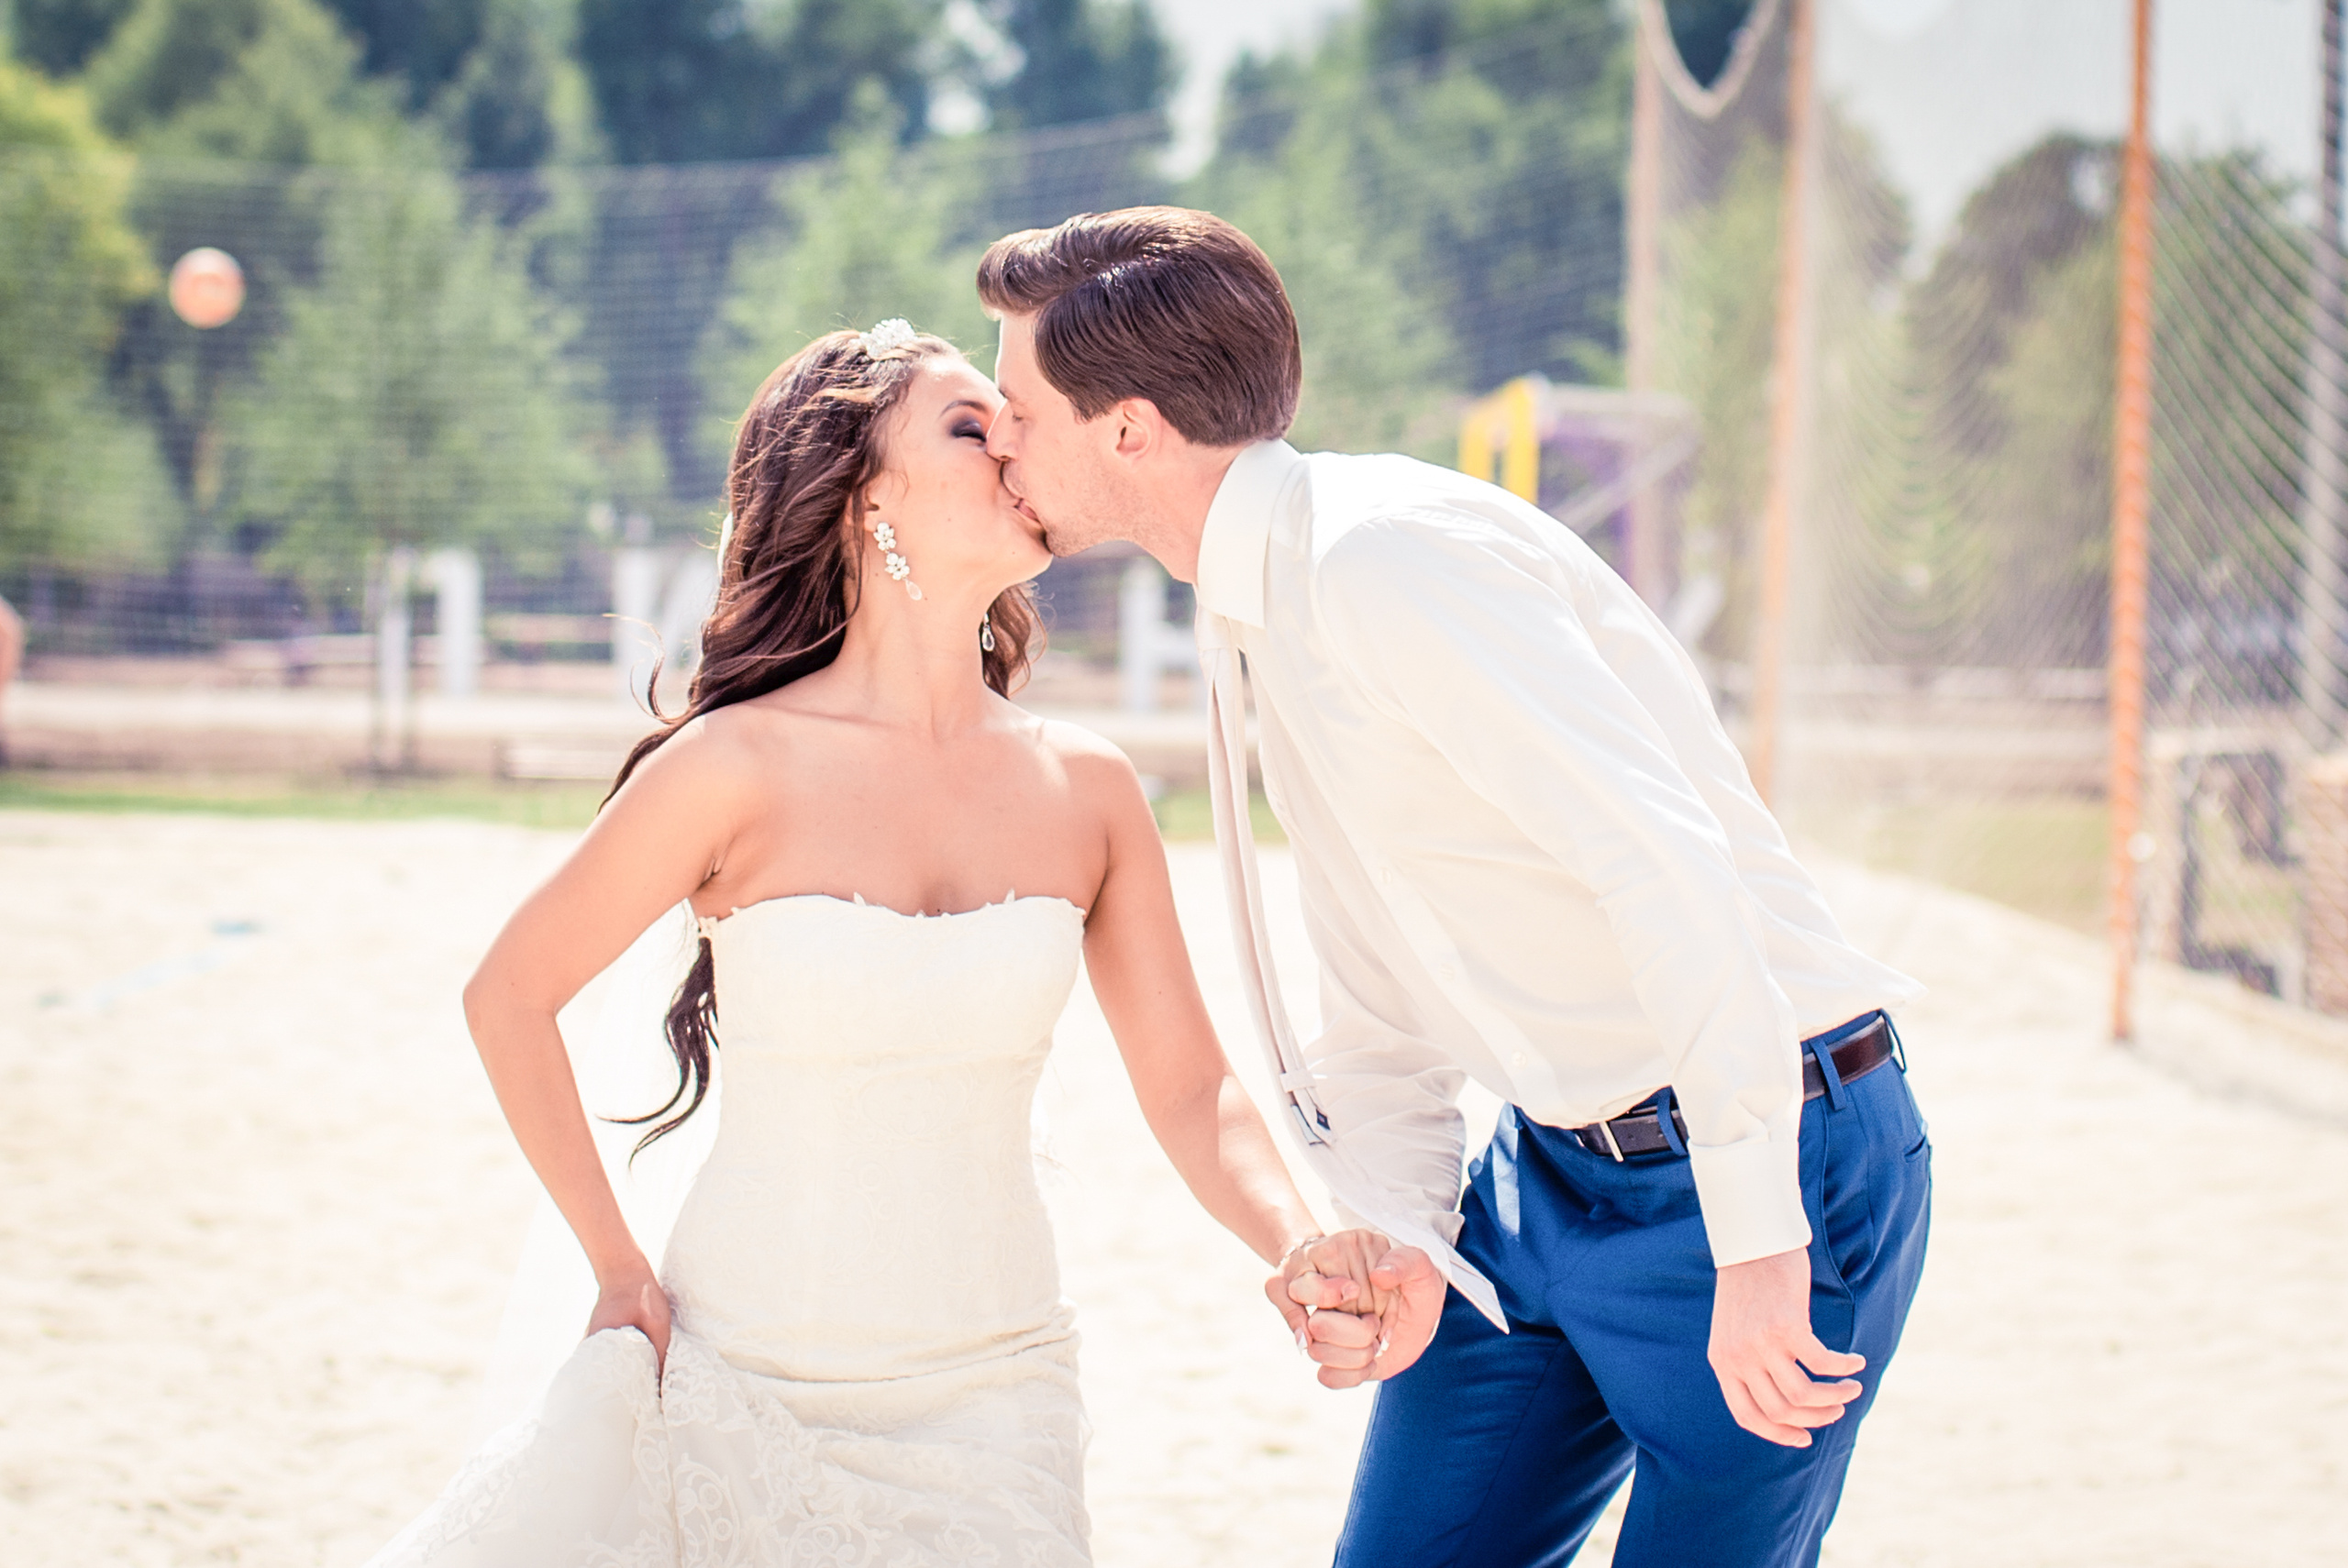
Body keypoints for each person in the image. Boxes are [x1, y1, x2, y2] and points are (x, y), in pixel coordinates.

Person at [978, 208, 1933, 1567]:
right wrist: (1411, 1227)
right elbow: (1376, 979)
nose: (997, 435)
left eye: (1014, 404)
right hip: (1544, 1175)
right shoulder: (1258, 599)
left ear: (1129, 430)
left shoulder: (1382, 559)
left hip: (1768, 1149)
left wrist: (1764, 1240)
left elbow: (1663, 866)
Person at [363, 322, 1366, 1567]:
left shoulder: (1090, 789)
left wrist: (1296, 1236)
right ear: (860, 490)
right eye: (967, 424)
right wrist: (617, 1269)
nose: (1012, 446)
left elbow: (1191, 1084)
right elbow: (507, 993)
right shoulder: (732, 768)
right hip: (748, 1377)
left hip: (1001, 1393)